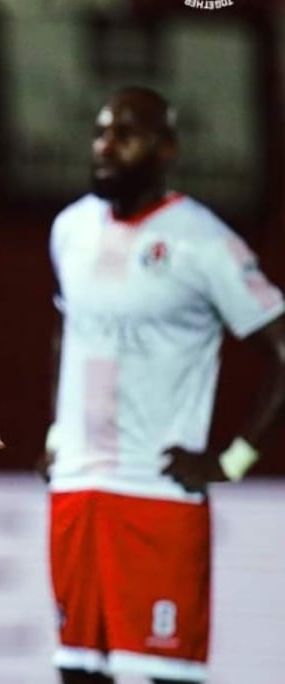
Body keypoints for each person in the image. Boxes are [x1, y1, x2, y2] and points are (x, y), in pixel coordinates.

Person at [44, 86, 285, 684]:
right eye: (101, 131)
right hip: (77, 489)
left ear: (167, 148)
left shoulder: (204, 242)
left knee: (164, 677)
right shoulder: (70, 229)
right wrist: (55, 431)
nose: (106, 145)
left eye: (126, 133)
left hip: (156, 498)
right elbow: (67, 329)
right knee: (76, 672)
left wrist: (233, 459)